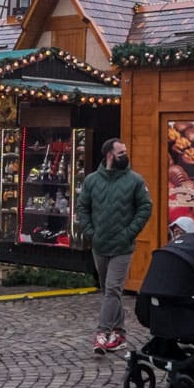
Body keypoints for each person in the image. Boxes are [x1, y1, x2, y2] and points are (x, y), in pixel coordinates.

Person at [76, 139, 153, 353]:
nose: (125, 155)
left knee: (112, 289)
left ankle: (102, 333)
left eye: (126, 151)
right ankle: (119, 334)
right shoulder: (92, 181)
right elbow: (82, 207)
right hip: (99, 245)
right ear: (109, 154)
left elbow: (146, 207)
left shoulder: (135, 180)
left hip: (122, 247)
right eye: (121, 152)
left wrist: (129, 233)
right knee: (109, 292)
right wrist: (90, 232)